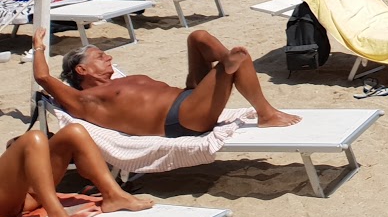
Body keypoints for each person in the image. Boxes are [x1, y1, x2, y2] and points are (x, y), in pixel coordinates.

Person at [33, 26, 300, 138]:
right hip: (183, 118)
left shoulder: (118, 81)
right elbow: (43, 77)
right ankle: (263, 110)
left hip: (189, 96)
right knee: (236, 62)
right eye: (101, 57)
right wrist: (38, 47)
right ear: (82, 70)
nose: (109, 57)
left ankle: (231, 70)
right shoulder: (83, 100)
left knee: (199, 37)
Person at [0, 122, 153, 217]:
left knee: (74, 131)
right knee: (33, 138)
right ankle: (56, 216)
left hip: (27, 195)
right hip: (6, 204)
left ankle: (113, 195)